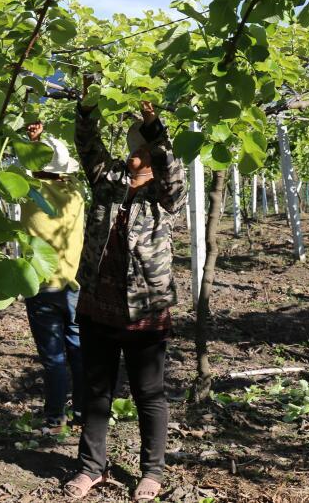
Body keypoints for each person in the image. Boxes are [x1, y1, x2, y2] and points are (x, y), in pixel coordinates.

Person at [64, 79, 186, 501]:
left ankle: (151, 472)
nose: (134, 156)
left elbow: (171, 168)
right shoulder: (108, 178)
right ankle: (90, 468)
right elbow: (87, 145)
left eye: (142, 149)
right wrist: (87, 106)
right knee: (96, 390)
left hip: (145, 309)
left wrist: (155, 125)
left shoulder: (166, 193)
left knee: (148, 393)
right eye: (133, 148)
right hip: (98, 303)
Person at [21, 118, 87, 433]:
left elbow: (28, 175)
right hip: (75, 285)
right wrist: (44, 144)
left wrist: (33, 142)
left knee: (53, 357)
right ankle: (84, 412)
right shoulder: (75, 195)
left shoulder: (33, 197)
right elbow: (53, 169)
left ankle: (54, 417)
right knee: (77, 349)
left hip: (43, 286)